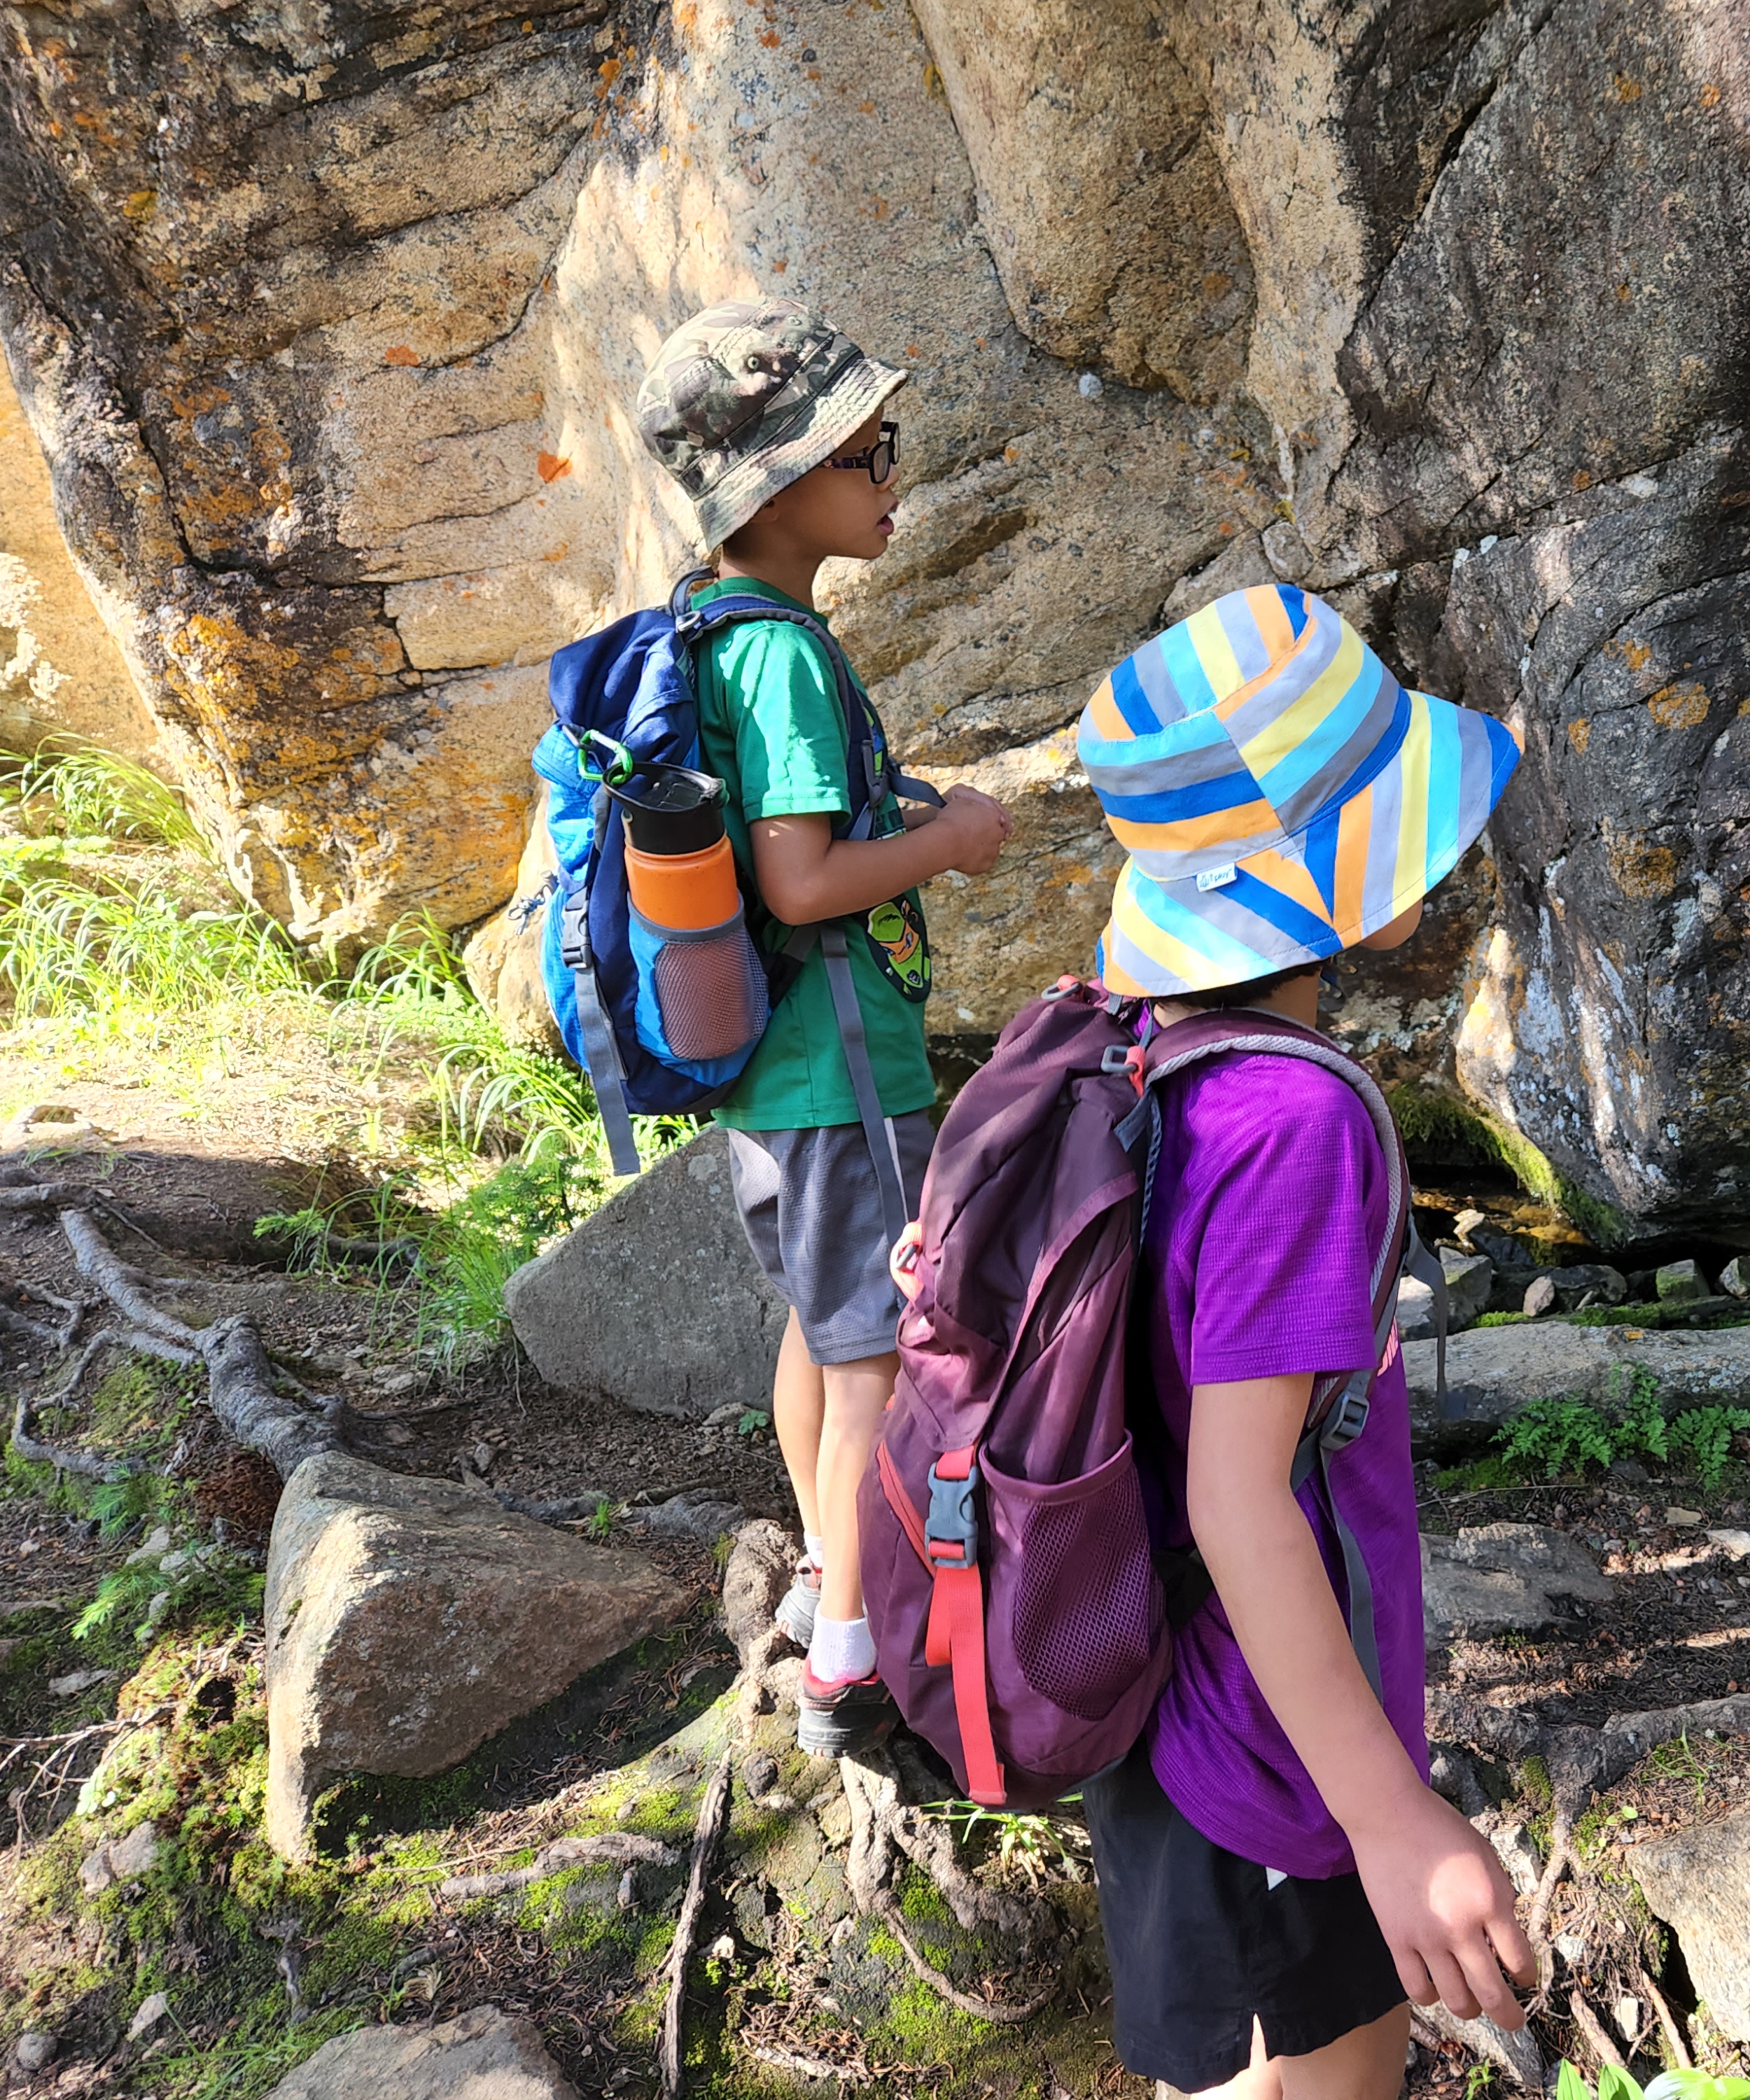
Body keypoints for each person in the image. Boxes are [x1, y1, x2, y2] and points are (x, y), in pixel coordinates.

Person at [1074, 586, 1534, 2099]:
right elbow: (1239, 1495)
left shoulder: (1132, 1047)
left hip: (1159, 1708)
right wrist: (1390, 1814)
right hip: (1274, 1757)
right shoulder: (1294, 1120)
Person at [632, 299, 1014, 1754]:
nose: (893, 474)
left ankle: (815, 1578)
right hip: (841, 1059)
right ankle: (852, 1658)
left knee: (817, 1322)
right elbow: (799, 882)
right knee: (875, 1352)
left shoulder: (712, 625)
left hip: (770, 1068)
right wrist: (951, 842)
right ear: (781, 487)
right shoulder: (783, 654)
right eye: (871, 451)